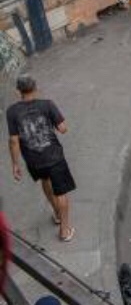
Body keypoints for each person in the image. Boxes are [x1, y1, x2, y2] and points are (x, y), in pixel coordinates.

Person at [7, 76, 75, 242]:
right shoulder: (47, 105)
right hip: (54, 157)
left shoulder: (12, 111)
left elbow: (14, 140)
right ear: (35, 88)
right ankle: (64, 231)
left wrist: (15, 164)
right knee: (61, 192)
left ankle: (57, 214)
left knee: (45, 180)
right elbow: (63, 128)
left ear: (18, 91)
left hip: (33, 160)